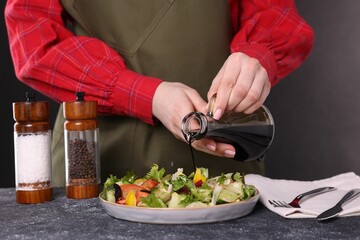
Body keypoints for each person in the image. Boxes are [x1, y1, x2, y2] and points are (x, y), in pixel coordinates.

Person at [5, 0, 314, 186]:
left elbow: (276, 16)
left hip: (224, 150)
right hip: (98, 162)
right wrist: (147, 95)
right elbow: (34, 39)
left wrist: (257, 56)